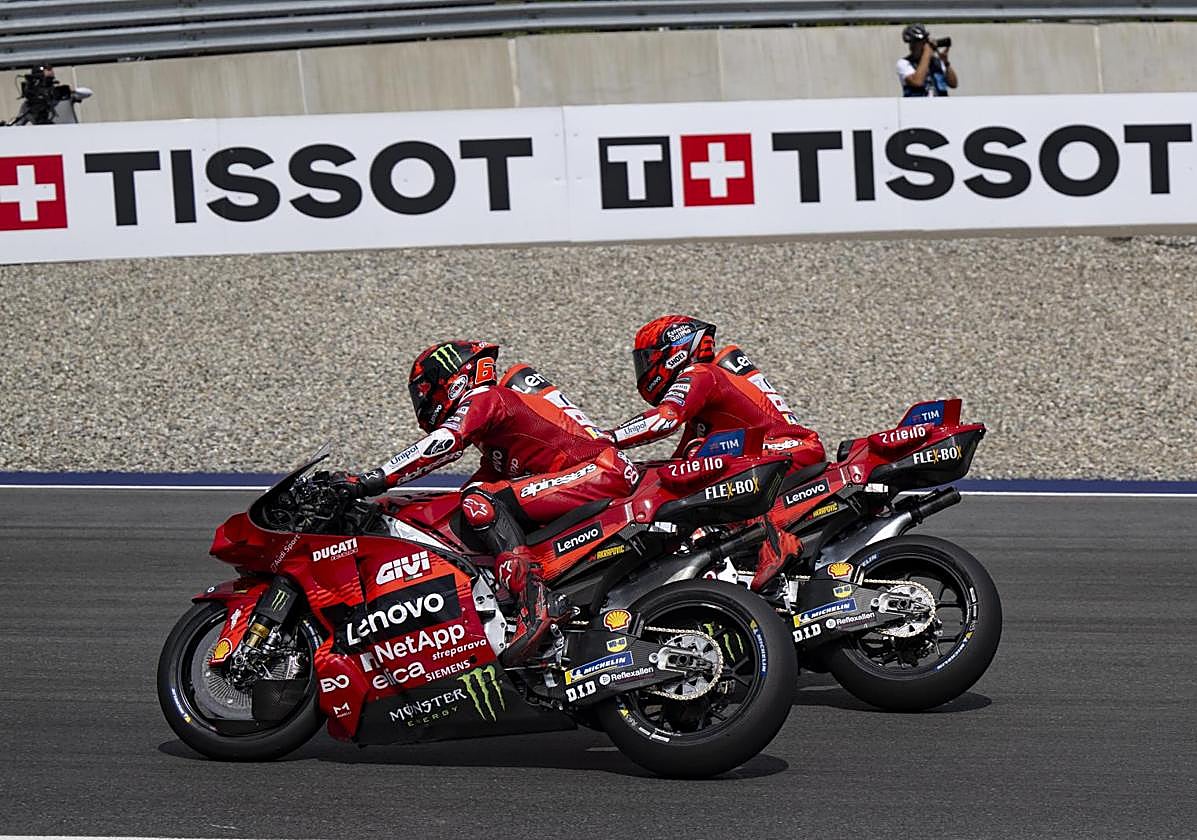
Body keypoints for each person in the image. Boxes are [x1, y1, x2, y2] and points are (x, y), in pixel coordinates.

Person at [339, 340, 636, 665]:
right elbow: (466, 495)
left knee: (480, 502)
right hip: (591, 476)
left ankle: (535, 602)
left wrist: (371, 480)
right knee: (471, 504)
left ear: (452, 379)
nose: (422, 402)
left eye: (424, 390)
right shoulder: (497, 440)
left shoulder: (485, 397)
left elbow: (446, 443)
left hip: (600, 471)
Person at [605, 315, 825, 591]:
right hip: (778, 455)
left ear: (675, 351)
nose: (644, 368)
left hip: (785, 450)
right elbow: (671, 465)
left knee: (700, 460)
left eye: (648, 359)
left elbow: (665, 418)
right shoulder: (703, 410)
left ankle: (771, 543)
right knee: (680, 474)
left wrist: (606, 440)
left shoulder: (700, 373)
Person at [897, 23, 957, 97]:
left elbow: (953, 84)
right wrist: (927, 52)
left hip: (941, 105)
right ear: (912, 45)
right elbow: (917, 82)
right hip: (917, 106)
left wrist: (946, 63)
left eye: (925, 41)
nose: (924, 44)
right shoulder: (904, 63)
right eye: (920, 42)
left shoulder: (936, 62)